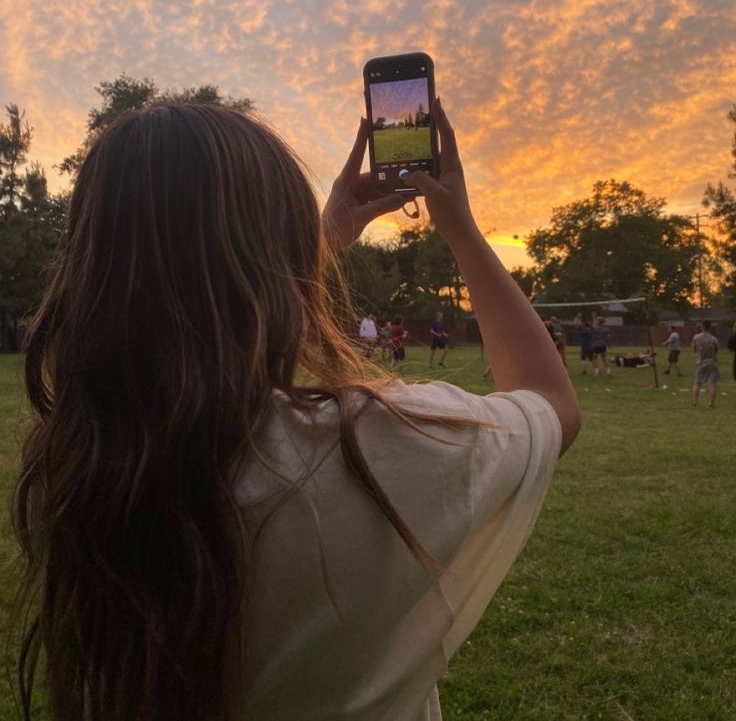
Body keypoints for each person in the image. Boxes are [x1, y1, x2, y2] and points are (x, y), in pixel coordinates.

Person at [11, 101, 580, 721]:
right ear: (277, 259)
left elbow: (198, 333)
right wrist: (462, 229)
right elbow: (552, 402)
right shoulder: (375, 448)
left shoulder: (70, 476)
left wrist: (317, 238)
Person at [692, 319, 719, 408]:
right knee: (713, 383)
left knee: (697, 382)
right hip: (712, 362)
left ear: (702, 326)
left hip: (701, 362)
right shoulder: (714, 339)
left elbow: (695, 350)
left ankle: (695, 401)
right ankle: (711, 403)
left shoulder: (696, 337)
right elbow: (716, 350)